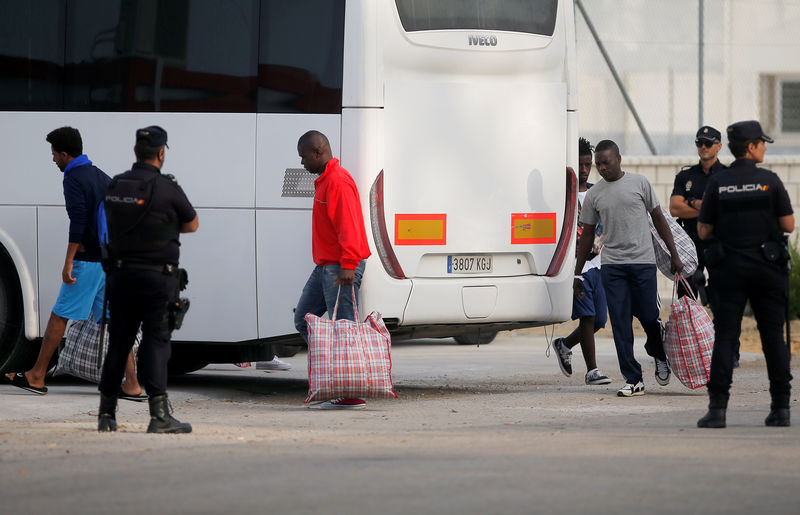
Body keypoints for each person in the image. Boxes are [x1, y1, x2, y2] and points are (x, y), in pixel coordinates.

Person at [4, 127, 143, 399]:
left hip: (89, 261)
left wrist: (68, 262)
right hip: (110, 262)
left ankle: (37, 375)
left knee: (59, 315)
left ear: (65, 154)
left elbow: (78, 223)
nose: (53, 159)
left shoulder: (73, 178)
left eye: (54, 154)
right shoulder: (100, 175)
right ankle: (132, 384)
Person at [97, 126, 199, 433]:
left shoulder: (115, 185)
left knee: (119, 343)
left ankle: (106, 414)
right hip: (157, 280)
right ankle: (159, 418)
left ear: (134, 152)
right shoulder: (167, 188)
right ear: (161, 152)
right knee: (156, 343)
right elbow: (192, 224)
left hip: (120, 276)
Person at [696, 120, 794, 428]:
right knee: (773, 339)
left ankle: (717, 410)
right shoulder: (770, 180)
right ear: (751, 147)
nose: (765, 147)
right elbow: (789, 225)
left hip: (729, 270)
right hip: (767, 269)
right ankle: (780, 408)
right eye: (762, 143)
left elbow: (703, 229)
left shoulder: (718, 183)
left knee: (725, 338)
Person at [575, 140, 683, 397]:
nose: (601, 168)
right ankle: (633, 379)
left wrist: (674, 254)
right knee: (621, 323)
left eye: (605, 162)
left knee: (648, 317)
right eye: (598, 164)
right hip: (612, 266)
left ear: (619, 159)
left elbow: (659, 219)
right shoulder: (594, 195)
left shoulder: (640, 183)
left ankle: (658, 354)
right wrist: (577, 272)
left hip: (643, 263)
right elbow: (587, 235)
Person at [294, 130, 371, 410]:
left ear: (317, 152)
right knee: (304, 320)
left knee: (344, 329)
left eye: (304, 157)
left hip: (341, 267)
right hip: (327, 266)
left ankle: (351, 394)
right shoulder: (325, 181)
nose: (302, 163)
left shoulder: (337, 181)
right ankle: (333, 379)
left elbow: (348, 224)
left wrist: (349, 265)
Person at [552, 138, 611, 386]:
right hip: (576, 267)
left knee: (599, 320)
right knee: (586, 317)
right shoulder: (564, 195)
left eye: (588, 164)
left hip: (597, 264)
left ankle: (564, 345)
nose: (585, 169)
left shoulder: (599, 192)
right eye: (580, 164)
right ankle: (592, 371)